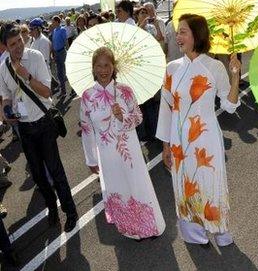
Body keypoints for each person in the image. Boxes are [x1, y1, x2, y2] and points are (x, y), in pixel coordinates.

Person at [156, 13, 241, 247]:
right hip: (178, 140)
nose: (178, 36)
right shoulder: (171, 68)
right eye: (177, 32)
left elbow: (230, 107)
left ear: (197, 35)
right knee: (184, 183)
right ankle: (193, 233)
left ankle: (219, 229)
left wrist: (235, 77)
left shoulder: (214, 67)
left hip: (206, 137)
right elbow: (166, 107)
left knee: (209, 181)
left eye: (183, 31)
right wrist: (165, 145)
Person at [80, 47, 165, 239]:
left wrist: (123, 117)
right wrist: (91, 159)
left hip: (130, 151)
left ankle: (150, 227)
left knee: (137, 185)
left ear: (113, 66)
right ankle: (132, 230)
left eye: (107, 65)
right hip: (107, 154)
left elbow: (138, 117)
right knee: (119, 189)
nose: (103, 70)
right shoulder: (87, 97)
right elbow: (87, 130)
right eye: (99, 66)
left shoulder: (125, 91)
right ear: (93, 68)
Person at [0, 24, 78, 232]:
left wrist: (26, 76)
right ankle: (52, 208)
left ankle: (70, 212)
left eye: (20, 41)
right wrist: (6, 111)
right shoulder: (3, 67)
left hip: (43, 123)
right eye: (12, 44)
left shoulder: (34, 58)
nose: (18, 47)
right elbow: (5, 96)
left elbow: (46, 92)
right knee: (38, 175)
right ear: (5, 47)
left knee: (55, 170)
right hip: (24, 128)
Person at [50, 16, 68, 96]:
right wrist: (53, 54)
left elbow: (65, 41)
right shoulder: (54, 30)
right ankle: (63, 90)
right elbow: (53, 43)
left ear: (57, 22)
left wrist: (68, 51)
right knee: (59, 73)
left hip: (62, 52)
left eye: (53, 22)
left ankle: (71, 89)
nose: (52, 23)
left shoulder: (62, 29)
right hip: (57, 53)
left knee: (65, 72)